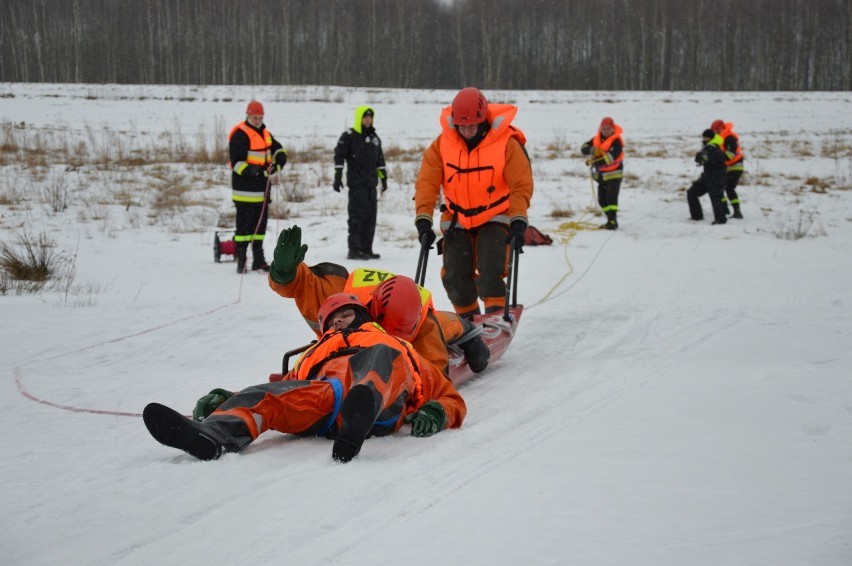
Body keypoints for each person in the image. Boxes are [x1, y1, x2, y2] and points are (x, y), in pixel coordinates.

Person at [143, 293, 467, 463]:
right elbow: (282, 387)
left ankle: (361, 411)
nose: (339, 322)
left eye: (346, 315)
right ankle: (212, 435)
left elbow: (449, 396)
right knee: (267, 394)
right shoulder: (313, 353)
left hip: (382, 402)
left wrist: (439, 412)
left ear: (363, 316)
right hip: (326, 397)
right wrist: (229, 397)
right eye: (332, 320)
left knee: (378, 362)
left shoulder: (395, 345)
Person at [266, 225, 490, 376]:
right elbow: (303, 285)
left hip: (420, 320)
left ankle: (469, 328)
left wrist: (470, 337)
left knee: (438, 327)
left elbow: (434, 376)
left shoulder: (422, 325)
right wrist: (284, 272)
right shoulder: (339, 298)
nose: (397, 338)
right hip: (347, 339)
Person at [414, 87, 534, 318]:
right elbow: (426, 183)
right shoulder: (441, 145)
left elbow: (521, 185)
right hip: (457, 219)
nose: (467, 132)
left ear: (484, 121)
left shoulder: (507, 143)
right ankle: (468, 321)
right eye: (462, 126)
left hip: (496, 216)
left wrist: (519, 220)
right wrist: (423, 219)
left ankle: (495, 317)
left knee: (490, 269)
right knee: (454, 276)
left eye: (472, 126)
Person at [228, 100, 288, 273]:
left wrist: (280, 160)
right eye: (255, 117)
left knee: (259, 227)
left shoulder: (265, 133)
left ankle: (259, 260)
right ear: (248, 115)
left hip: (262, 191)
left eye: (260, 117)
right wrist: (258, 171)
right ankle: (242, 259)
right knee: (243, 228)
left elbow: (277, 149)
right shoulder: (240, 134)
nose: (258, 120)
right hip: (244, 191)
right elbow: (237, 163)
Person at [333, 106, 387, 260]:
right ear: (359, 118)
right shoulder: (349, 136)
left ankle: (366, 249)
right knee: (357, 217)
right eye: (365, 117)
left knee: (370, 218)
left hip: (371, 185)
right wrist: (337, 176)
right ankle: (354, 249)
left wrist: (384, 178)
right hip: (357, 185)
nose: (368, 120)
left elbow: (380, 161)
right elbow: (339, 156)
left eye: (370, 117)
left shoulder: (375, 138)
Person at [581, 117, 625, 230]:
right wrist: (592, 150)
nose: (605, 131)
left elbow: (610, 158)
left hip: (614, 174)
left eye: (608, 129)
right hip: (601, 176)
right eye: (603, 128)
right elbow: (583, 148)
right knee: (602, 200)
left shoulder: (616, 142)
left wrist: (594, 161)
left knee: (611, 198)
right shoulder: (596, 139)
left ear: (612, 129)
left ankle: (612, 221)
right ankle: (609, 219)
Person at [687, 129, 728, 225]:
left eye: (706, 137)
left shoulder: (712, 147)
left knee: (715, 197)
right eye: (703, 137)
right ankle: (697, 216)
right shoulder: (710, 146)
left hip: (716, 176)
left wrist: (700, 157)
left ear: (711, 138)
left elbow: (705, 157)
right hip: (708, 176)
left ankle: (720, 219)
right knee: (692, 192)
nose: (704, 139)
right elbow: (703, 158)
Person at [711, 119, 745, 219]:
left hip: (736, 166)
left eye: (717, 130)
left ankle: (737, 211)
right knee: (719, 187)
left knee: (729, 188)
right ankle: (725, 209)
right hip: (726, 167)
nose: (715, 132)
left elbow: (730, 154)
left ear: (722, 128)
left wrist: (718, 160)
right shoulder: (720, 137)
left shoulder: (730, 137)